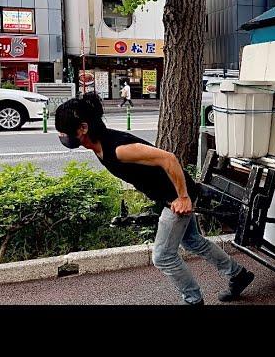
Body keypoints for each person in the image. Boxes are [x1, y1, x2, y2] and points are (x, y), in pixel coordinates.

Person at [55, 92, 254, 306]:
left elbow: (168, 159)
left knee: (163, 256)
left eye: (64, 132)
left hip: (177, 197)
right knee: (193, 241)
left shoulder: (118, 149)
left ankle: (193, 299)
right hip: (168, 198)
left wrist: (184, 197)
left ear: (83, 129)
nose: (61, 136)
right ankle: (238, 275)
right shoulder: (97, 145)